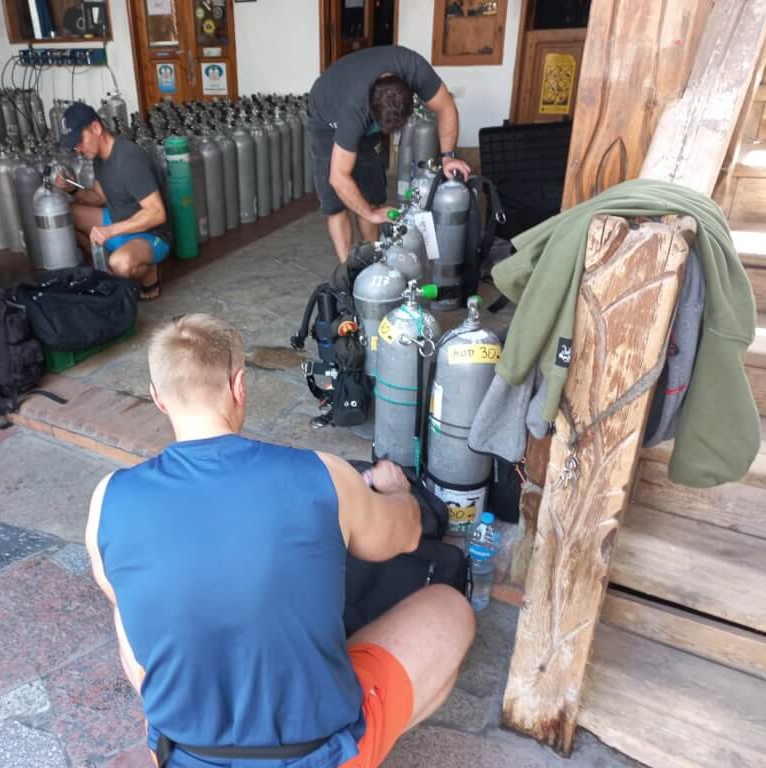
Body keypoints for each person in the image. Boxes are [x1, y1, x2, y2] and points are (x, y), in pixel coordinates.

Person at [85, 313, 475, 768]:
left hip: (182, 755)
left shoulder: (108, 497)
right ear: (239, 386)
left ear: (158, 399)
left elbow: (133, 616)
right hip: (316, 756)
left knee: (125, 600)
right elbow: (405, 534)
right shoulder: (323, 474)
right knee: (451, 610)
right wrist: (394, 490)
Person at [307, 45, 472, 263]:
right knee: (335, 204)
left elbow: (446, 106)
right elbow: (338, 178)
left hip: (360, 107)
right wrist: (371, 215)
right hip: (326, 116)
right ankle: (348, 268)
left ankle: (373, 259)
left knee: (371, 195)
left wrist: (448, 156)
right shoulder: (353, 110)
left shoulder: (414, 68)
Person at [57, 103, 170, 300]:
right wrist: (71, 188)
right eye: (75, 144)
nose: (78, 148)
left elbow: (157, 213)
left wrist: (110, 231)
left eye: (80, 140)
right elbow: (99, 197)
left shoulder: (129, 158)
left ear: (96, 128)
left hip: (149, 234)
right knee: (65, 214)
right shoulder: (100, 158)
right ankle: (102, 268)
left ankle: (149, 271)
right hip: (118, 221)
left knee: (121, 264)